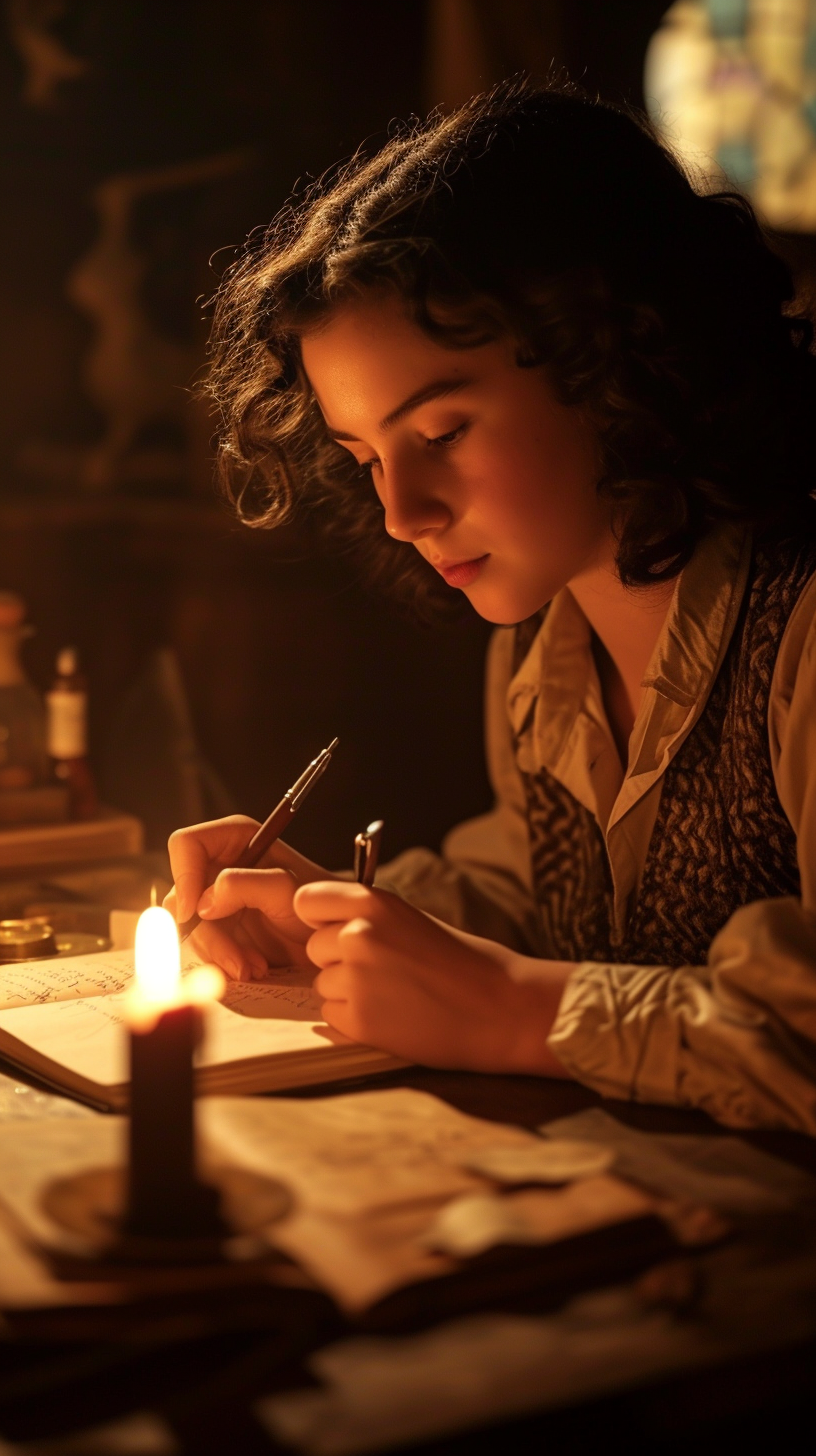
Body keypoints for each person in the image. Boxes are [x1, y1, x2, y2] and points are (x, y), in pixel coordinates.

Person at [167, 78, 816, 1133]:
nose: (402, 513)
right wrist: (333, 920)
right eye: (365, 456)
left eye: (444, 433)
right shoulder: (543, 649)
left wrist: (517, 1011)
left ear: (614, 355)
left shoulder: (801, 628)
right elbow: (550, 904)